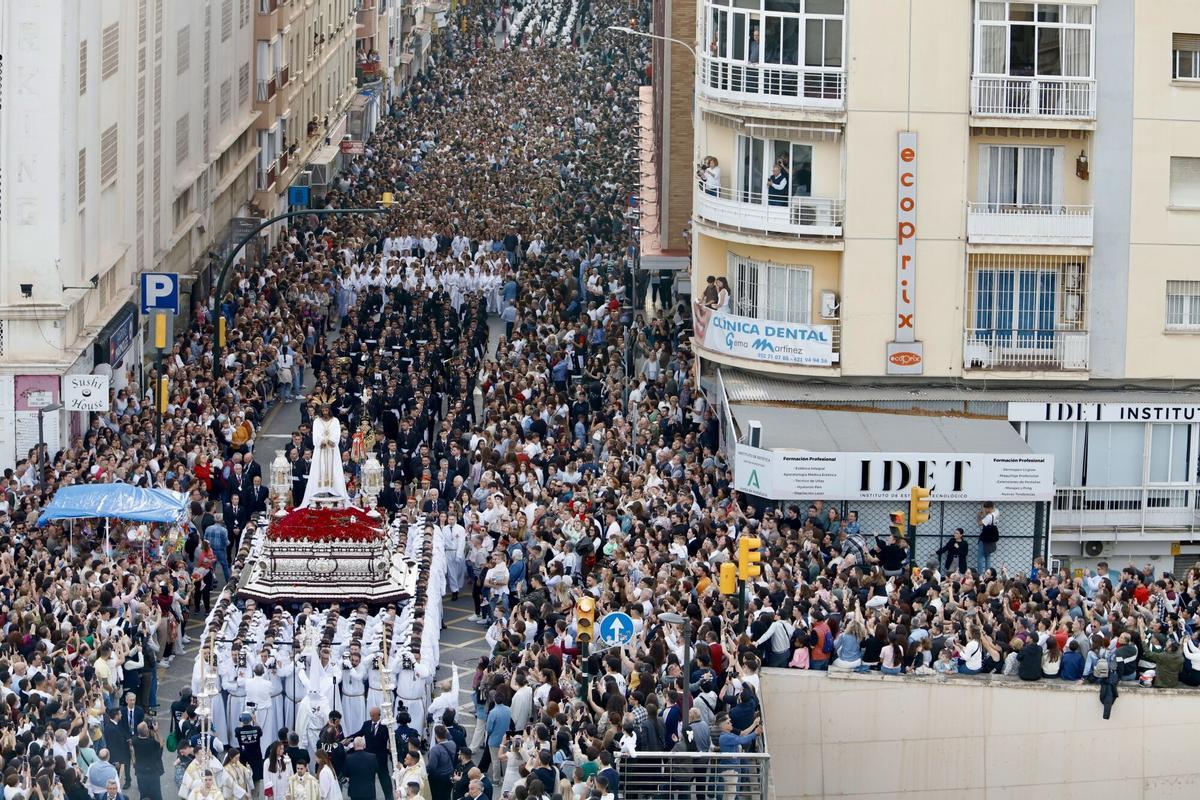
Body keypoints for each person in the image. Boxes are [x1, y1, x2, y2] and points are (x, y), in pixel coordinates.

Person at [302, 406, 349, 507]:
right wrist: (322, 441)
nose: (325, 412)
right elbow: (316, 435)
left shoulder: (335, 420)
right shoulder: (317, 421)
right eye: (323, 410)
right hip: (321, 449)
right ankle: (320, 490)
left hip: (332, 450)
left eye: (326, 410)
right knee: (320, 469)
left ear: (329, 410)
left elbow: (337, 433)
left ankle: (335, 489)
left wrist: (330, 441)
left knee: (334, 469)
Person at [130, 722, 164, 800]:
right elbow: (161, 744)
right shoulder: (152, 742)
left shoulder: (134, 741)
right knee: (156, 795)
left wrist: (134, 763)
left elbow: (132, 752)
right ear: (147, 731)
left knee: (143, 795)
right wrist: (156, 731)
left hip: (140, 772)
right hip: (153, 772)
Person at [977, 501, 1000, 574]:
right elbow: (989, 513)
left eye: (985, 508)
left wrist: (978, 516)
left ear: (988, 508)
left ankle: (980, 574)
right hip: (991, 539)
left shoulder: (988, 517)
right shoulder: (996, 512)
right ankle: (988, 573)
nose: (984, 510)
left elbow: (979, 523)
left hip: (985, 539)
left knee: (980, 557)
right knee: (988, 556)